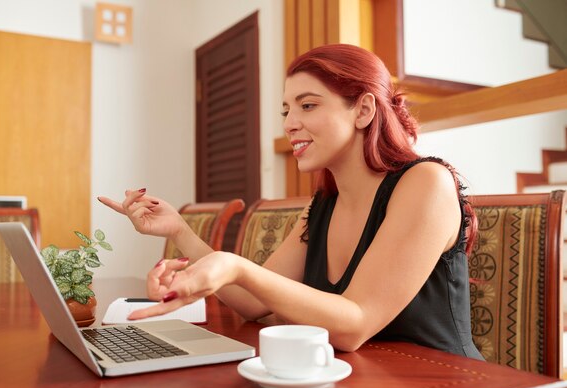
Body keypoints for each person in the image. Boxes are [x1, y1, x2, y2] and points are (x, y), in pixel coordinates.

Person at [99, 43, 483, 359]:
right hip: (358, 385)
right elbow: (253, 303)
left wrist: (234, 266)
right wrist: (179, 231)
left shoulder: (425, 183)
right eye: (287, 110)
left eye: (308, 105)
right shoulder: (323, 205)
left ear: (364, 110)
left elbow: (353, 325)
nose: (289, 123)